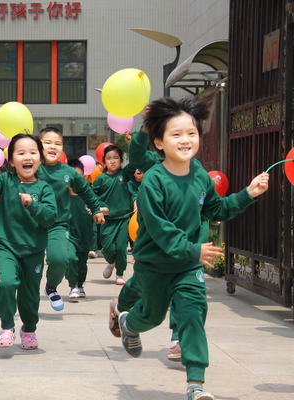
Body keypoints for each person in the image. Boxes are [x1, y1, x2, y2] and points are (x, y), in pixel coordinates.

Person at [116, 97, 269, 400]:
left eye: (192, 133)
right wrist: (193, 249)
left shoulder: (199, 173)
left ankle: (195, 384)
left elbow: (216, 208)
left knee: (192, 314)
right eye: (176, 134)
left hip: (188, 266)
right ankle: (129, 323)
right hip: (154, 265)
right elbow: (160, 230)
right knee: (153, 317)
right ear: (158, 142)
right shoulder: (154, 181)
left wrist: (248, 194)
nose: (186, 140)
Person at [0, 134, 56, 349]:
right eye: (21, 152)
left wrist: (33, 205)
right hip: (6, 246)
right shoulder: (6, 180)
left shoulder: (44, 188)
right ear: (12, 160)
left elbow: (50, 217)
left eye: (33, 152)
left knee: (30, 294)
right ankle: (7, 325)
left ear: (40, 159)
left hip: (33, 249)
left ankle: (29, 329)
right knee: (6, 283)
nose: (27, 157)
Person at [38, 127, 105, 311]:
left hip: (57, 224)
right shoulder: (31, 166)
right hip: (31, 225)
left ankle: (51, 286)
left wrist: (96, 209)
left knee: (61, 259)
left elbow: (85, 190)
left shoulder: (68, 172)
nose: (53, 147)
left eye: (58, 144)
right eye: (48, 143)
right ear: (39, 145)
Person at [65, 158, 109, 300]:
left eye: (79, 176)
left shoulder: (88, 196)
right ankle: (73, 285)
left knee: (82, 264)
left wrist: (98, 210)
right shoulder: (61, 195)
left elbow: (106, 209)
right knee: (71, 258)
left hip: (85, 237)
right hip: (67, 236)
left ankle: (80, 285)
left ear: (84, 176)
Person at [92, 144, 136, 285]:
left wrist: (131, 144)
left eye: (116, 158)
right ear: (104, 161)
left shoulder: (125, 174)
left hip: (124, 218)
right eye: (109, 158)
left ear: (121, 160)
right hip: (107, 220)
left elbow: (136, 160)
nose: (112, 161)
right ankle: (111, 262)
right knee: (109, 249)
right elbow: (92, 196)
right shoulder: (100, 179)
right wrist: (97, 208)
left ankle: (120, 273)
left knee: (121, 247)